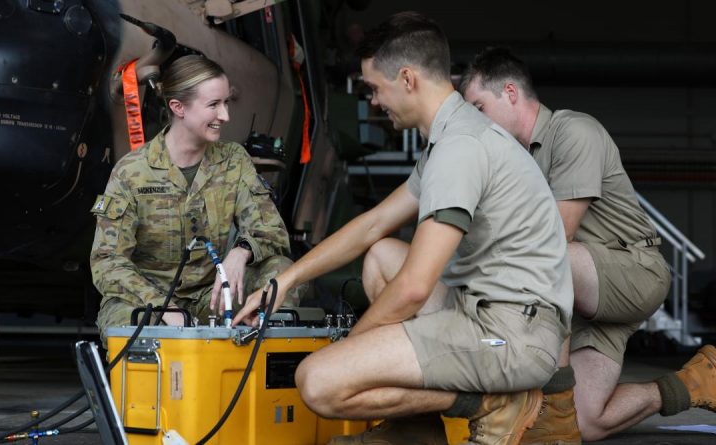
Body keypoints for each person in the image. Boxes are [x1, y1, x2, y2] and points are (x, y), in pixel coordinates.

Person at [234, 12, 573, 445]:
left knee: (319, 381)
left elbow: (415, 286)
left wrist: (353, 347)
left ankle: (492, 402)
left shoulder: (460, 149)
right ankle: (414, 431)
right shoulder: (450, 139)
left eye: (375, 88)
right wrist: (285, 280)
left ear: (408, 79)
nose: (373, 101)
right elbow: (372, 225)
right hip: (489, 311)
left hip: (513, 336)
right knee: (381, 256)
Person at [460, 46, 716, 443]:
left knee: (542, 257)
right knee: (588, 422)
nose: (475, 122)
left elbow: (553, 240)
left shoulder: (573, 131)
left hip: (630, 272)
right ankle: (697, 382)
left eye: (478, 107)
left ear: (510, 93)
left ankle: (551, 405)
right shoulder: (510, 161)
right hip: (578, 298)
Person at [90, 55, 303, 343]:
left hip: (213, 295)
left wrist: (241, 252)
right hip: (148, 301)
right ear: (178, 108)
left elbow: (272, 232)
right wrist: (163, 306)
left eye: (226, 103)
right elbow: (107, 261)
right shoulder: (132, 172)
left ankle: (254, 374)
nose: (225, 116)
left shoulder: (233, 161)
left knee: (280, 275)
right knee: (130, 323)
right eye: (214, 105)